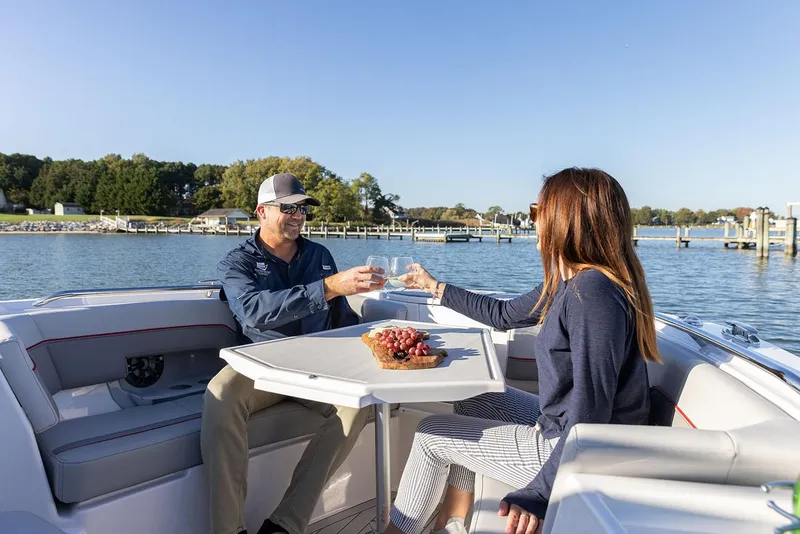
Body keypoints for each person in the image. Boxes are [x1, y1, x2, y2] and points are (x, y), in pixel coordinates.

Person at [386, 167, 660, 534]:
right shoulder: (568, 282)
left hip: (589, 452)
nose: (532, 221)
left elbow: (591, 408)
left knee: (430, 434)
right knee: (476, 397)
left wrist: (540, 492)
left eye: (537, 211)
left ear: (566, 220)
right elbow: (502, 315)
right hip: (567, 427)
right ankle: (452, 521)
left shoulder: (592, 292)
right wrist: (433, 285)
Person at [201, 172, 387, 534]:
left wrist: (374, 342)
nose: (298, 216)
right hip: (261, 364)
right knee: (221, 396)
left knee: (358, 405)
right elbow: (254, 310)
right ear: (261, 212)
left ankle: (284, 525)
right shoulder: (236, 263)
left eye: (303, 210)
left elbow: (341, 317)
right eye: (288, 208)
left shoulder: (319, 255)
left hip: (316, 365)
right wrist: (329, 287)